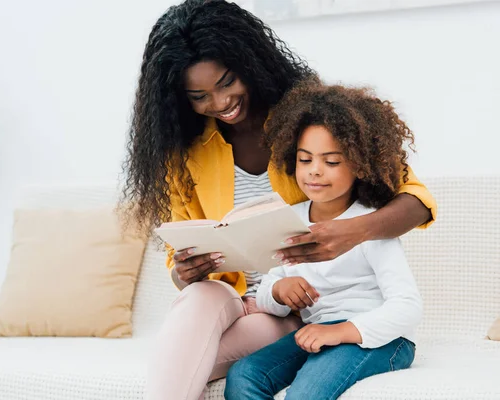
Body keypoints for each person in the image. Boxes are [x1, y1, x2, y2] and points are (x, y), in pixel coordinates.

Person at [118, 1, 436, 399]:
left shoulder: (310, 127)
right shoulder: (185, 155)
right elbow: (178, 265)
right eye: (199, 95)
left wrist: (350, 233)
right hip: (226, 301)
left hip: (289, 311)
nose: (219, 103)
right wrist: (185, 272)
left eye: (227, 82)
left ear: (249, 62)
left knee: (180, 361)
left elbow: (416, 199)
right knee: (199, 295)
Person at [224, 83, 423, 399]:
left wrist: (339, 332)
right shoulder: (290, 218)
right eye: (305, 160)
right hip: (317, 332)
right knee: (244, 376)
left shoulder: (369, 224)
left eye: (331, 162)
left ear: (359, 164)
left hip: (380, 337)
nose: (315, 172)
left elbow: (408, 307)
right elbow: (267, 293)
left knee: (306, 394)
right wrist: (279, 290)